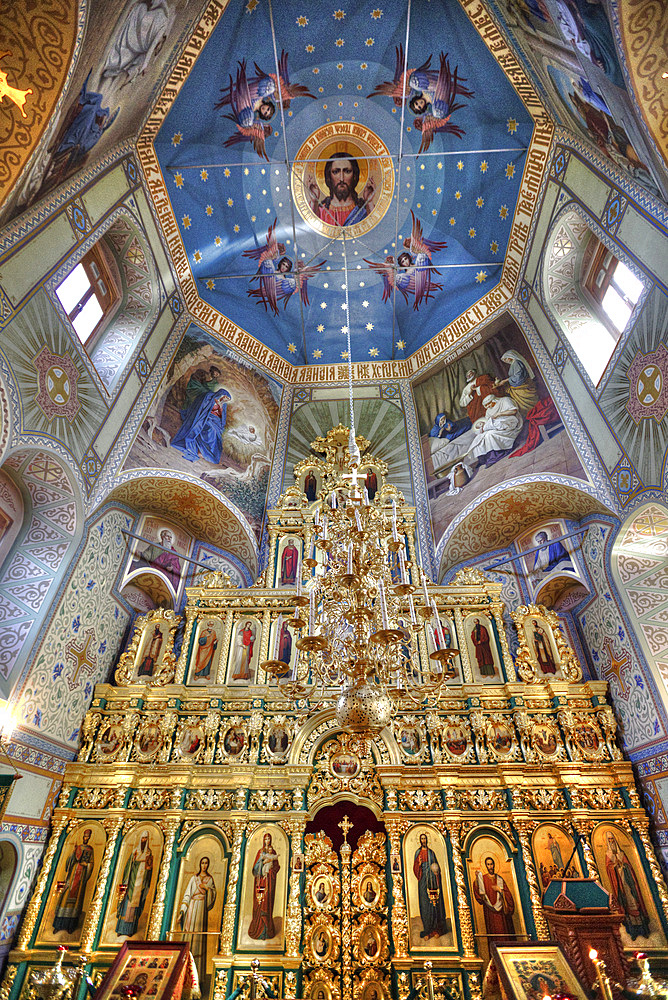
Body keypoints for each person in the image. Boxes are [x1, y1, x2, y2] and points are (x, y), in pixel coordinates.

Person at [101, 0, 175, 89]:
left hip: (137, 40)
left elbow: (152, 46)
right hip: (136, 37)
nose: (157, 49)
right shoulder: (163, 21)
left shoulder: (161, 18)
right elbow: (152, 47)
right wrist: (145, 65)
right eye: (158, 49)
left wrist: (144, 66)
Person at [171, 365, 232, 465]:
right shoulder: (209, 397)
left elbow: (222, 418)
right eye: (225, 397)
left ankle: (207, 453)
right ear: (222, 394)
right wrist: (213, 405)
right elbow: (202, 408)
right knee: (210, 430)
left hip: (214, 422)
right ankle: (200, 451)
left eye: (227, 400)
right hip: (205, 418)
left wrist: (220, 408)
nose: (225, 400)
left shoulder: (223, 405)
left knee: (217, 433)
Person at [604, 832, 650, 939]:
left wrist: (624, 866)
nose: (611, 842)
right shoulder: (608, 855)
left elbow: (629, 866)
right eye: (609, 840)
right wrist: (615, 866)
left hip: (628, 883)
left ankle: (643, 929)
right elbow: (609, 868)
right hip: (619, 884)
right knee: (624, 902)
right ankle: (632, 931)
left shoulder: (621, 853)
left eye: (612, 839)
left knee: (634, 900)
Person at [179, 856, 217, 982]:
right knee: (189, 938)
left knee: (198, 943)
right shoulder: (193, 879)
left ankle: (197, 978)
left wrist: (207, 888)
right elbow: (187, 895)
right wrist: (182, 912)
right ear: (200, 864)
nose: (204, 865)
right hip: (191, 910)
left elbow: (212, 895)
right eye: (202, 863)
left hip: (201, 910)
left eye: (206, 863)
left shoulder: (209, 879)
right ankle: (183, 975)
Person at [311, 154, 374, 227]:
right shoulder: (321, 211)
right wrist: (314, 202)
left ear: (354, 176)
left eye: (347, 171)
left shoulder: (363, 210)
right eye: (336, 172)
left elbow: (376, 231)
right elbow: (311, 233)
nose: (341, 179)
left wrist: (369, 203)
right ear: (329, 177)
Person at [52, 828, 95, 934]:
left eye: (87, 837)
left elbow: (91, 863)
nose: (86, 838)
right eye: (84, 836)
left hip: (81, 876)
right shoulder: (78, 848)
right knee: (65, 898)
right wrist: (73, 853)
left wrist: (87, 865)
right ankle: (58, 924)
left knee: (76, 901)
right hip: (72, 875)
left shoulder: (90, 849)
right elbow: (69, 861)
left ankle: (71, 925)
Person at [466, 395, 523, 466]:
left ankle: (496, 455)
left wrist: (499, 414)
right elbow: (489, 421)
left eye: (488, 404)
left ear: (494, 400)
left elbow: (514, 411)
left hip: (509, 421)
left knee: (490, 435)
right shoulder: (488, 411)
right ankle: (484, 458)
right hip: (496, 425)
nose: (488, 406)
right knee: (480, 437)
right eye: (486, 406)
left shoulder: (505, 400)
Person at [116, 831, 154, 937]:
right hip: (132, 880)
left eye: (146, 838)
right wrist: (132, 862)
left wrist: (147, 872)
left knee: (135, 906)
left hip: (141, 882)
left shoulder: (148, 853)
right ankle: (121, 929)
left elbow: (149, 868)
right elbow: (128, 867)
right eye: (142, 838)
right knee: (127, 904)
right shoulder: (135, 851)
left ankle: (130, 930)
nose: (144, 840)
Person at [412, 833, 448, 940]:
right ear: (420, 840)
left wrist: (436, 873)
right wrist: (418, 864)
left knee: (435, 903)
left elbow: (437, 867)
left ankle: (436, 929)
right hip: (423, 879)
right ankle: (427, 929)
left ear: (427, 840)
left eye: (425, 838)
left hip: (432, 879)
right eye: (422, 838)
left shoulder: (431, 853)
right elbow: (415, 869)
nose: (423, 840)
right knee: (424, 903)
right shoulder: (418, 853)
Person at [472, 856, 516, 943]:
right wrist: (478, 879)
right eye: (488, 865)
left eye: (491, 864)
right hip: (490, 913)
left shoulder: (499, 879)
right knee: (493, 933)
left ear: (494, 865)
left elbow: (509, 896)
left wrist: (500, 891)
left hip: (501, 914)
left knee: (503, 931)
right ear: (486, 866)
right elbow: (479, 894)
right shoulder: (483, 879)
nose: (490, 866)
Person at [248, 832, 280, 940]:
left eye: (269, 839)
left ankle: (267, 930)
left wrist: (271, 870)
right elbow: (255, 869)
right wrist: (262, 862)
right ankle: (258, 928)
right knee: (259, 902)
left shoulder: (273, 851)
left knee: (267, 902)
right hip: (260, 882)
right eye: (266, 839)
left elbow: (277, 867)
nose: (267, 841)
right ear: (263, 840)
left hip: (269, 881)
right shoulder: (260, 852)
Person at [130, 527, 182, 592]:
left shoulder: (174, 552)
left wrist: (172, 568)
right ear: (162, 537)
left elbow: (177, 568)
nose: (169, 539)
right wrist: (139, 554)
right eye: (167, 536)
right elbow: (146, 556)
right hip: (153, 571)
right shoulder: (154, 546)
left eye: (170, 537)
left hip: (165, 576)